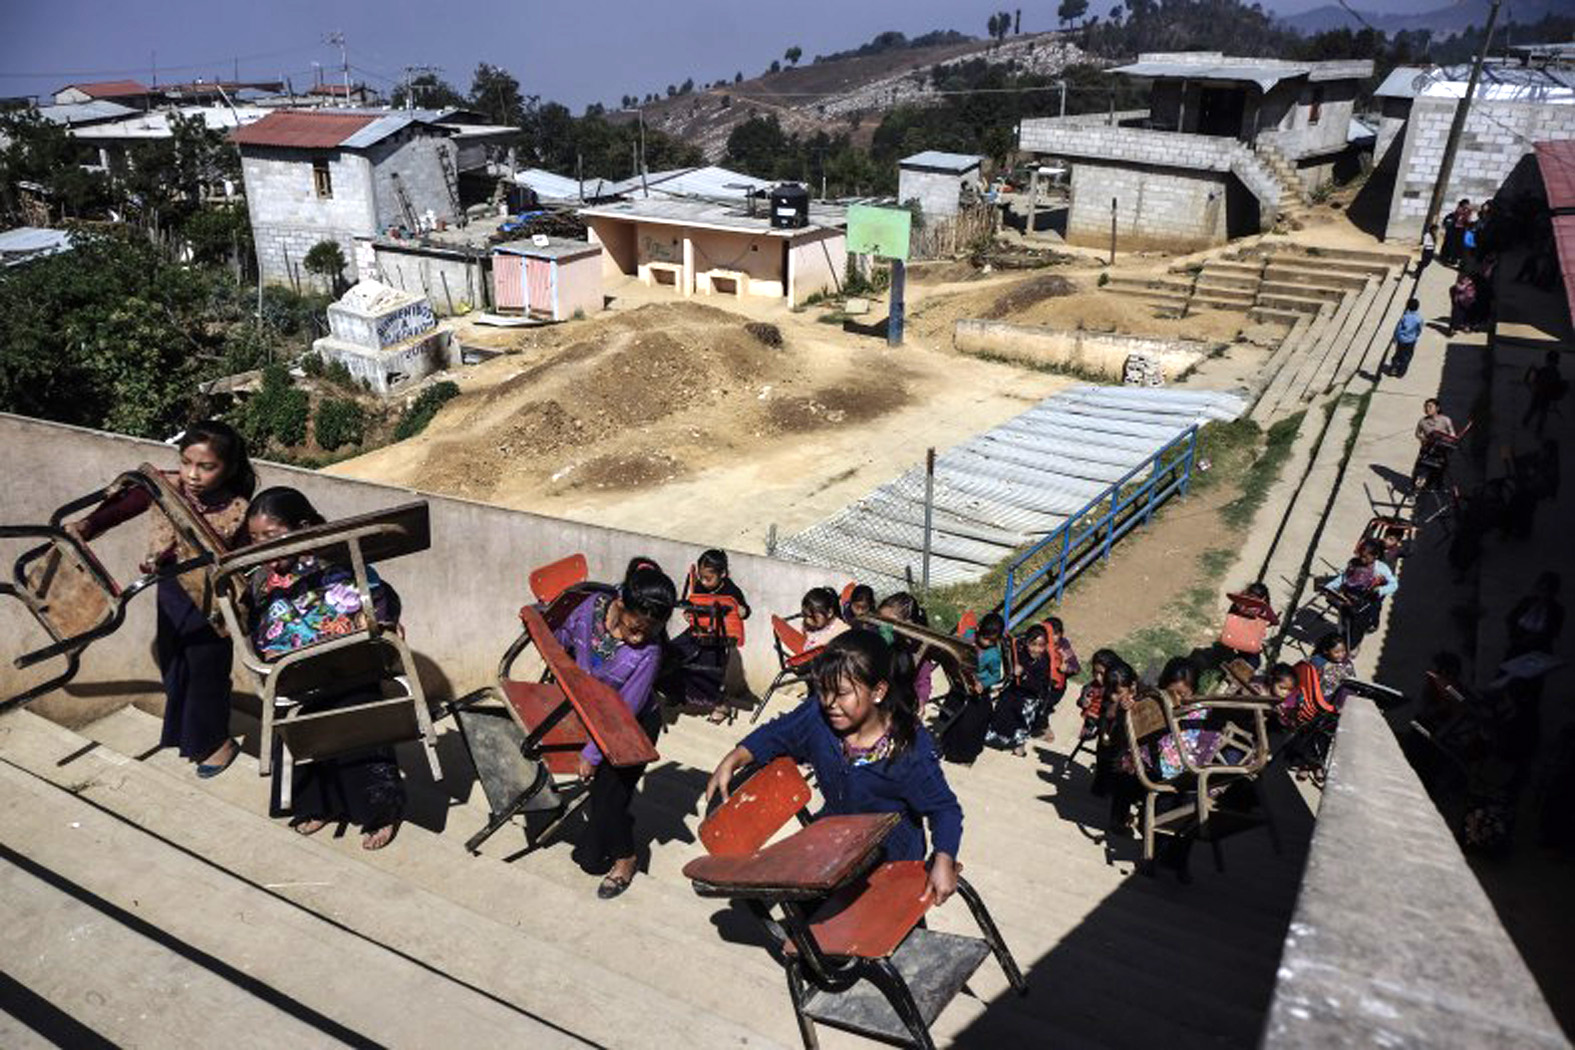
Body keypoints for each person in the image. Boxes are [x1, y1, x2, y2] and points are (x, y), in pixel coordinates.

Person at [704, 631, 963, 905]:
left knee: (874, 935)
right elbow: (778, 733)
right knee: (807, 912)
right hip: (834, 842)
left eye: (841, 693)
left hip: (889, 861)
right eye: (823, 690)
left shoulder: (909, 749)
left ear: (878, 691)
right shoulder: (817, 718)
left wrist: (944, 858)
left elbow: (944, 809)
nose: (830, 703)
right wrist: (736, 757)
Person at [68, 421, 256, 777]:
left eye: (206, 466)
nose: (192, 474)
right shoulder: (165, 487)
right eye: (187, 462)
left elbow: (248, 561)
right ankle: (189, 737)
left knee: (206, 675)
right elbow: (122, 507)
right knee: (174, 669)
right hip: (170, 595)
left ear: (229, 468)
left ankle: (218, 743)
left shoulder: (239, 510)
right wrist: (87, 527)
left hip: (212, 606)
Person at [243, 487, 405, 850]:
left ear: (302, 528)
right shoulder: (255, 578)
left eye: (272, 537)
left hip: (350, 664)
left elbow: (377, 599)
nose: (264, 548)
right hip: (297, 672)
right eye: (254, 540)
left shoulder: (339, 558)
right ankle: (317, 805)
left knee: (356, 718)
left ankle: (381, 811)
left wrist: (382, 627)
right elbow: (254, 624)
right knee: (302, 726)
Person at [557, 559, 677, 898]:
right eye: (635, 626)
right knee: (590, 859)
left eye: (650, 631)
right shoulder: (589, 609)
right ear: (620, 603)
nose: (640, 637)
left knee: (608, 798)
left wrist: (592, 755)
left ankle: (627, 858)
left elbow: (624, 710)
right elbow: (563, 635)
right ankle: (615, 832)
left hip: (631, 727)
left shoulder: (649, 653)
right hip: (598, 716)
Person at [667, 548, 750, 723]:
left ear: (723, 574)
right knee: (673, 653)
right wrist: (688, 614)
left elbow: (744, 610)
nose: (703, 582)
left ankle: (719, 703)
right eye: (701, 577)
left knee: (711, 668)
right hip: (698, 630)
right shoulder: (698, 585)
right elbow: (692, 606)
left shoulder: (731, 590)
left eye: (708, 578)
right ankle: (677, 692)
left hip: (719, 636)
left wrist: (741, 610)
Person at [939, 612, 1002, 764]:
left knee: (969, 725)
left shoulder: (993, 655)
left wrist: (984, 683)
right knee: (952, 717)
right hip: (961, 683)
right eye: (984, 637)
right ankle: (947, 748)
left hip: (977, 690)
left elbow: (996, 675)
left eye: (992, 640)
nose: (987, 643)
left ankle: (964, 755)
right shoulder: (968, 637)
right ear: (978, 629)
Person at [985, 624, 1051, 755]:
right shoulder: (1020, 650)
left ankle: (1019, 746)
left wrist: (1023, 674)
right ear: (1026, 642)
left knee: (1023, 721)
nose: (1037, 649)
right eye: (1033, 644)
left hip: (1031, 695)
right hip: (1014, 690)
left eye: (1041, 645)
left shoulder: (1044, 661)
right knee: (1002, 711)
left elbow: (1039, 685)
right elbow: (1010, 646)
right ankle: (993, 737)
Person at [1323, 538, 1397, 653]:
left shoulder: (1381, 569)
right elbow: (1344, 577)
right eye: (1361, 556)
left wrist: (1380, 590)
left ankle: (1352, 646)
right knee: (1344, 623)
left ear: (1375, 556)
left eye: (1365, 557)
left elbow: (1394, 585)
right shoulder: (1354, 563)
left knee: (1356, 629)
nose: (1362, 559)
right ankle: (1342, 643)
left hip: (1365, 604)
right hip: (1348, 599)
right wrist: (1330, 586)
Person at [1032, 617, 1081, 743]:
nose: (1049, 636)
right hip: (1039, 683)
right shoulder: (1039, 642)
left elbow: (1076, 668)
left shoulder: (1063, 646)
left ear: (1060, 635)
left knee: (1045, 708)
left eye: (1054, 634)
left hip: (1055, 688)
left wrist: (1066, 668)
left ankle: (1042, 727)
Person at [1413, 399, 1457, 490]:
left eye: (1430, 406)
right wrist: (1423, 439)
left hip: (1440, 451)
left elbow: (1452, 435)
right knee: (1420, 470)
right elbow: (1417, 433)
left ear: (1437, 408)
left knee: (1438, 472)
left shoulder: (1445, 420)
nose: (1427, 409)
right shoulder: (1422, 421)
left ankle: (1436, 487)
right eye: (1425, 406)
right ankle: (1416, 488)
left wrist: (1445, 440)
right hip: (1426, 450)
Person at [1522, 350, 1566, 437]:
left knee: (1539, 412)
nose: (1551, 364)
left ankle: (1536, 427)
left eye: (1552, 362)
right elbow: (1535, 379)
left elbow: (1536, 379)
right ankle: (1529, 423)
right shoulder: (1549, 371)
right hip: (1541, 394)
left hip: (1544, 395)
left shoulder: (1553, 372)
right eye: (1550, 361)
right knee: (1535, 410)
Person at [800, 586, 849, 651]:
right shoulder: (814, 626)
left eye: (812, 617)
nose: (808, 620)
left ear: (829, 613)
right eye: (805, 615)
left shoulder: (842, 632)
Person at [1387, 298, 1423, 378]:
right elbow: (1419, 329)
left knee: (1398, 354)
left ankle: (1393, 368)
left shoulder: (1405, 317)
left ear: (1407, 307)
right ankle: (1401, 373)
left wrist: (1395, 337)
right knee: (1407, 356)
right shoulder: (1419, 318)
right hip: (1411, 340)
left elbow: (1398, 328)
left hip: (1401, 339)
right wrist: (1416, 335)